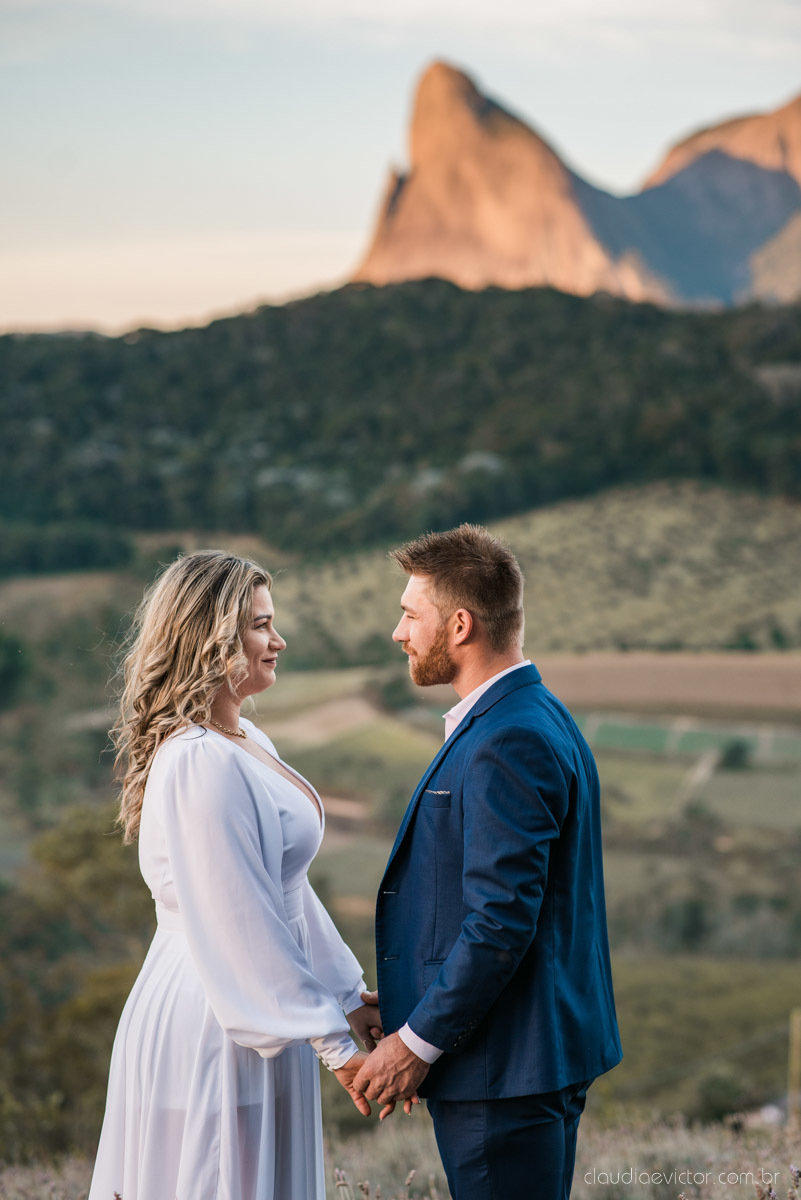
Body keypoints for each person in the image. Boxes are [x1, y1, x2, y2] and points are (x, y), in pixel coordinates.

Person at [89, 550, 380, 1200]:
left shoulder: (246, 741)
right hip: (215, 1016)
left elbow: (287, 894)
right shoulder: (198, 760)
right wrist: (337, 1047)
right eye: (259, 625)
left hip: (266, 1006)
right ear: (209, 637)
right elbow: (239, 917)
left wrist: (346, 997)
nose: (276, 640)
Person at [354, 524, 622, 1200]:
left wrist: (415, 1043)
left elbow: (500, 921)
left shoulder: (509, 739)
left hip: (503, 1070)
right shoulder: (537, 716)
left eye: (411, 614)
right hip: (516, 1058)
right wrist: (414, 998)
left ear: (461, 624)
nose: (398, 632)